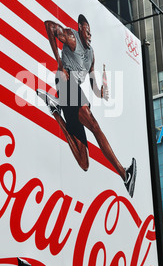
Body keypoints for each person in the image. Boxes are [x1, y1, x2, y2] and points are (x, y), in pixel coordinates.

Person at [36, 14, 137, 197]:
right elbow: (49, 25)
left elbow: (92, 83)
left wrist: (100, 92)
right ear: (80, 29)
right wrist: (59, 62)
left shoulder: (91, 55)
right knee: (94, 125)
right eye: (87, 31)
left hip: (74, 95)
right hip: (66, 85)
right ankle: (124, 174)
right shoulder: (72, 37)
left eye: (91, 32)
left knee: (84, 162)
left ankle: (56, 111)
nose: (90, 35)